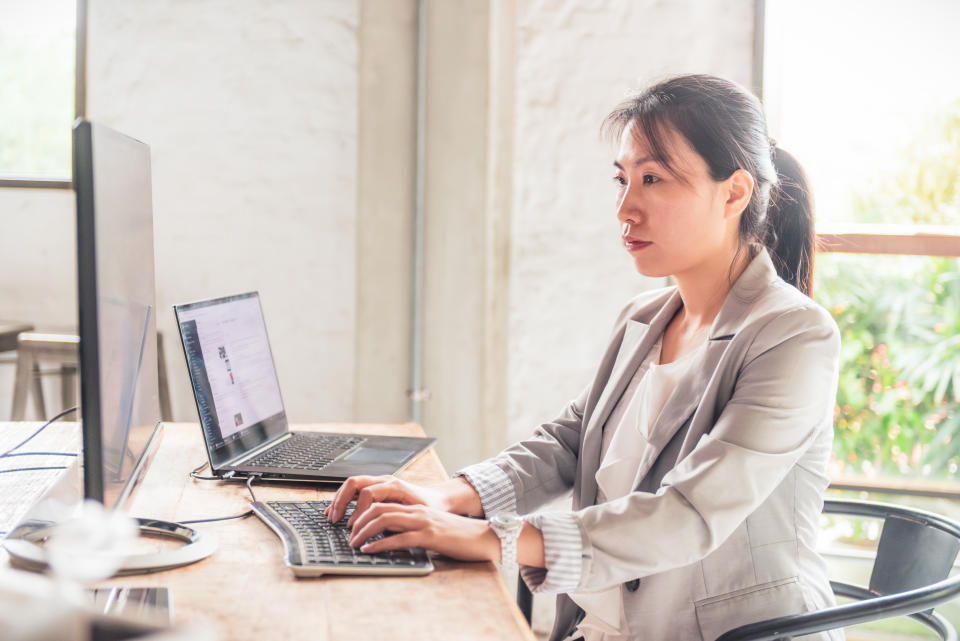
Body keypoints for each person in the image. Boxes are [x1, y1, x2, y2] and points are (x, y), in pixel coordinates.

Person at [326, 73, 842, 641]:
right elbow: (571, 441)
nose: (626, 209)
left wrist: (489, 535)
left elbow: (689, 515)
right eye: (622, 180)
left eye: (653, 180)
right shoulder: (643, 319)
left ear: (734, 192)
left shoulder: (793, 336)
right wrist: (447, 496)